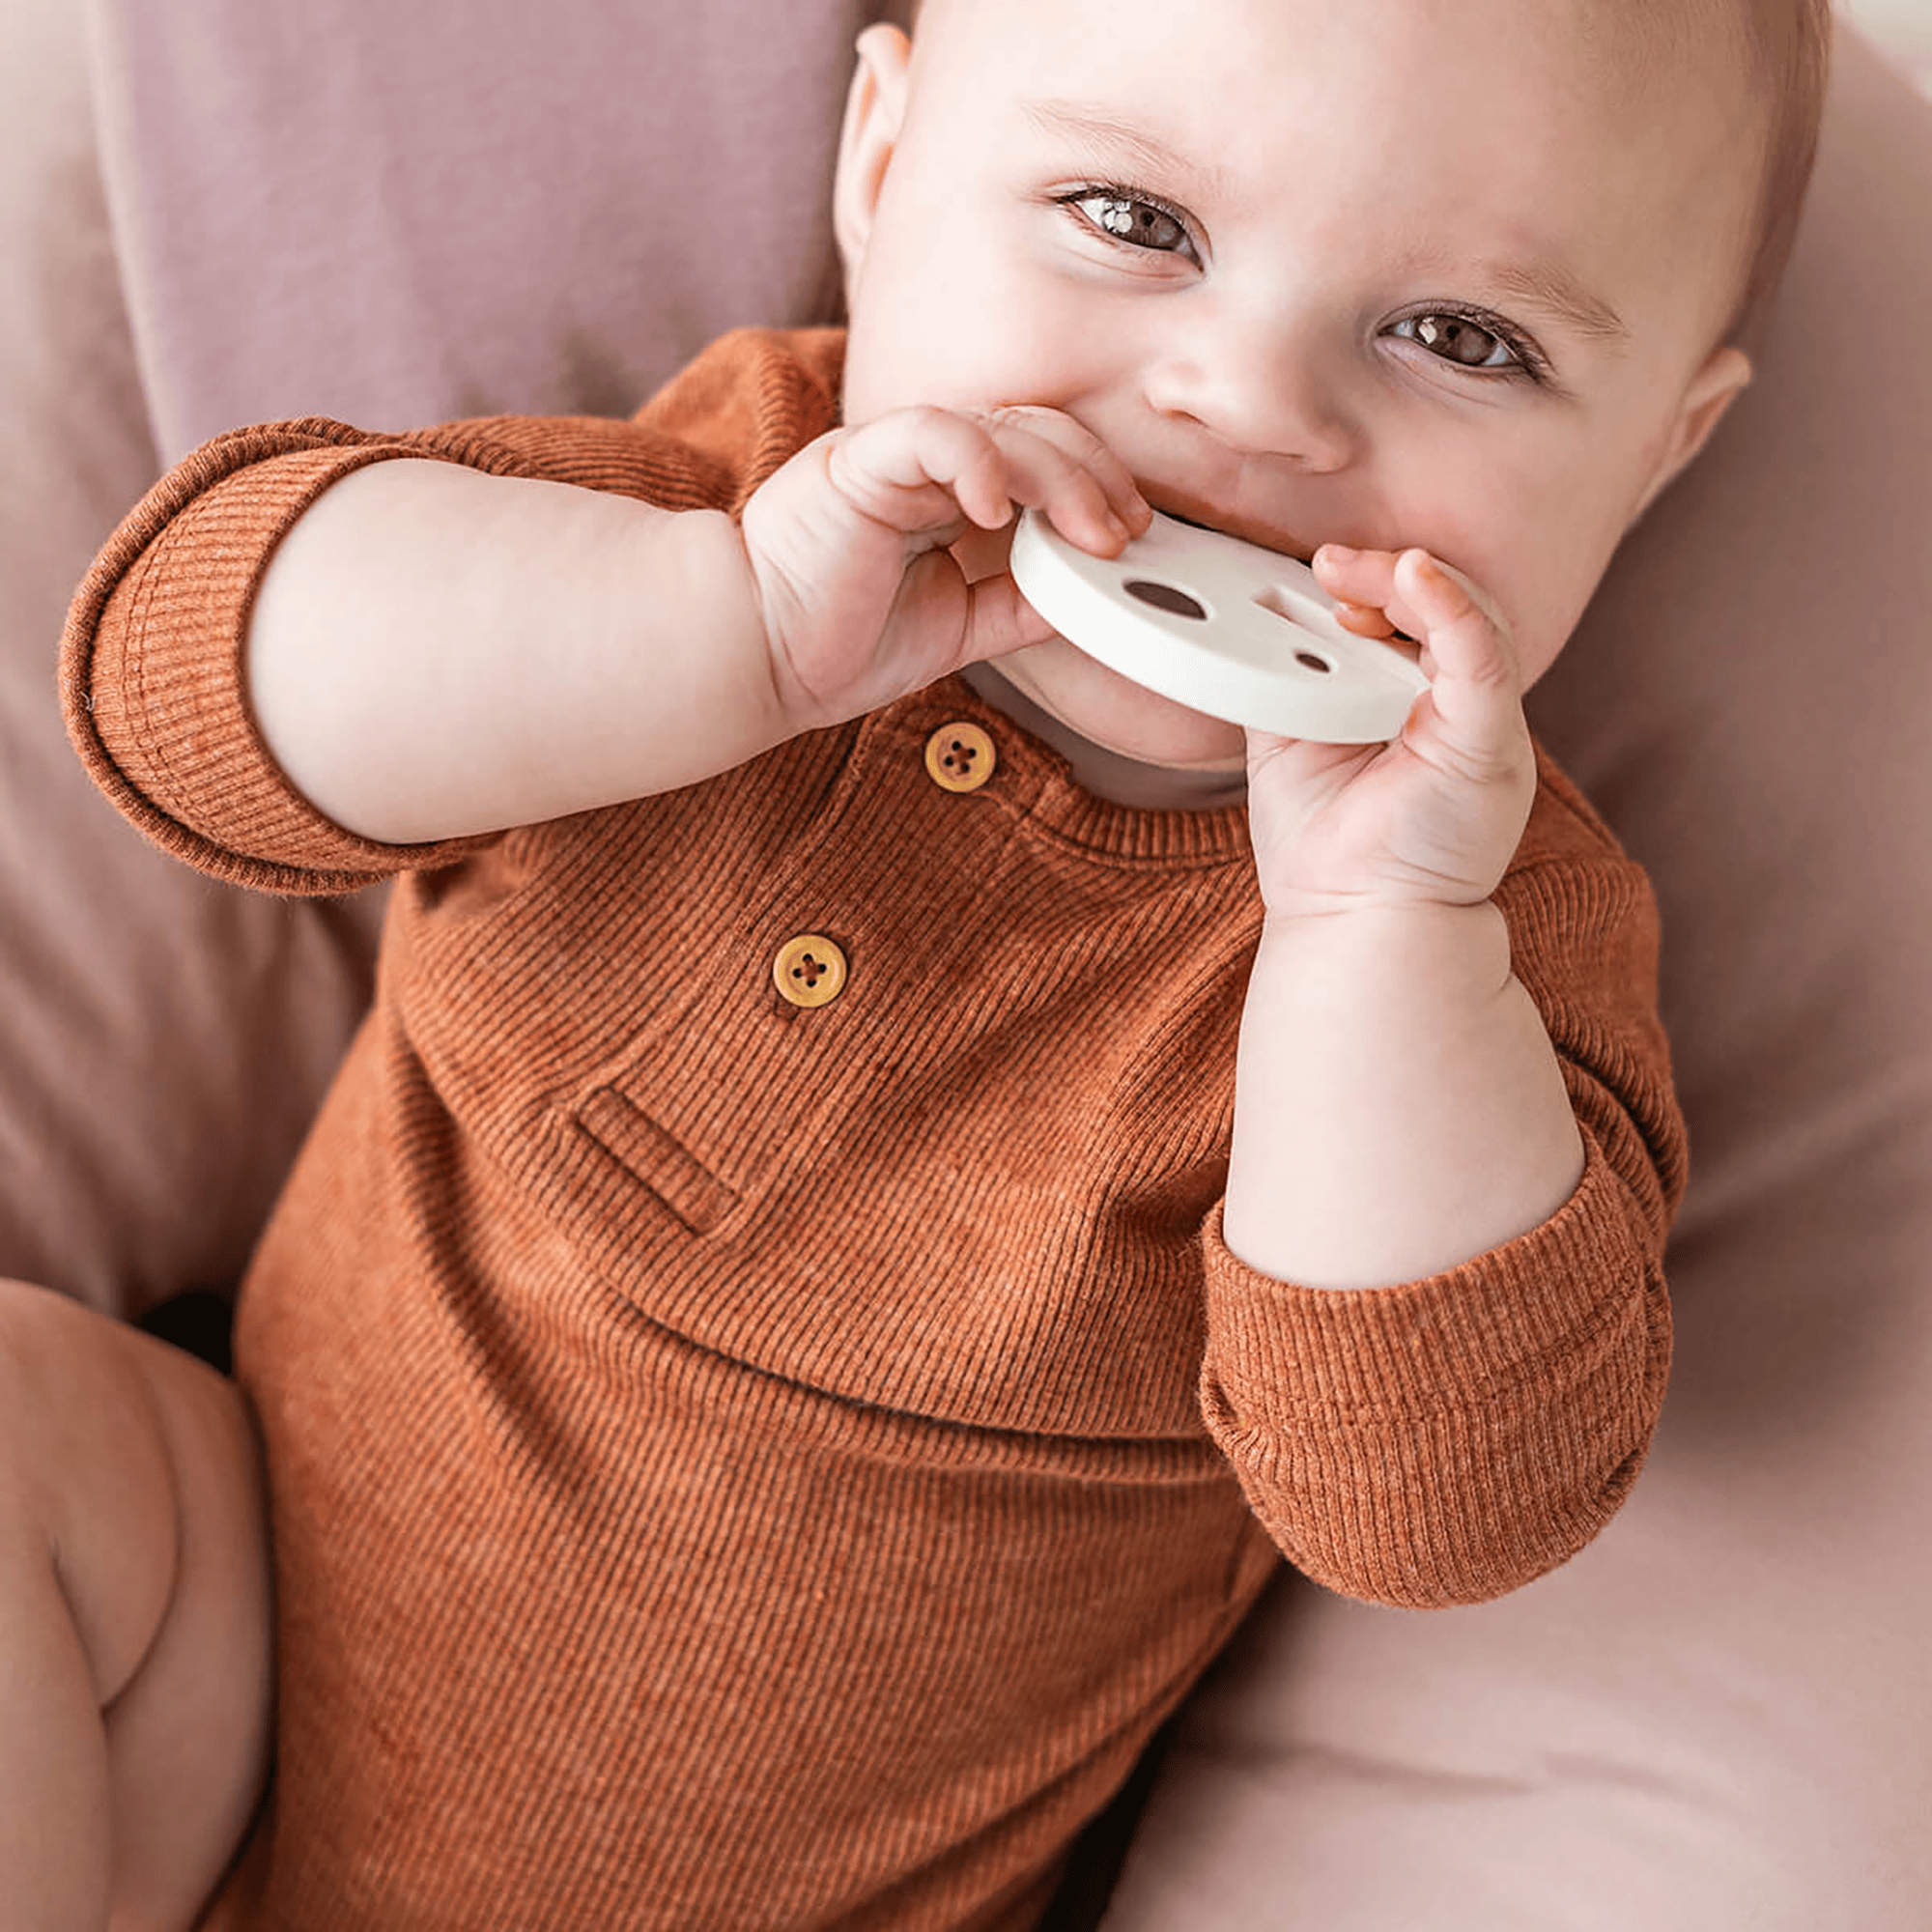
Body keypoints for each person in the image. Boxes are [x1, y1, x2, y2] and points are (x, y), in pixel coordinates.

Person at [7, 0, 1828, 1924]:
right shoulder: (746, 494)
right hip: (209, 1697)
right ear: (880, 175)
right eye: (1132, 217)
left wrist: (1376, 940)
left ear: (1652, 456)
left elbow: (1441, 1510)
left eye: (1464, 339)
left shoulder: (1478, 910)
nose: (1246, 398)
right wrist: (709, 634)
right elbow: (175, 693)